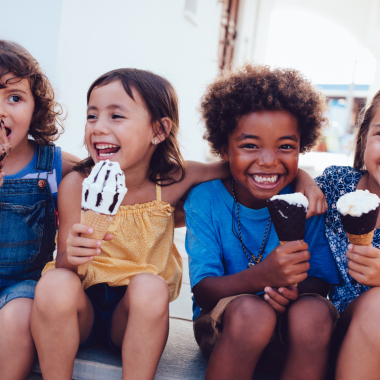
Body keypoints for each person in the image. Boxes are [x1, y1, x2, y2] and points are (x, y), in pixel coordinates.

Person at [184, 63, 342, 380]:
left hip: (289, 330)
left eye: (285, 146)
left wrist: (292, 290)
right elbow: (203, 292)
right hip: (228, 326)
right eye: (250, 145)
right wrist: (263, 277)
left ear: (302, 146)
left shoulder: (306, 202)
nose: (268, 160)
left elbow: (321, 281)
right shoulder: (206, 200)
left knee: (314, 312)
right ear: (224, 148)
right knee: (252, 313)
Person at [0, 40, 78, 380]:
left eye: (14, 97)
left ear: (35, 109)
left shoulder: (51, 165)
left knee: (18, 318)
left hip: (23, 285)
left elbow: (119, 176)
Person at [314, 89, 380, 380]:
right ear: (364, 136)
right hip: (348, 327)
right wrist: (302, 179)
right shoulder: (337, 184)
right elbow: (292, 197)